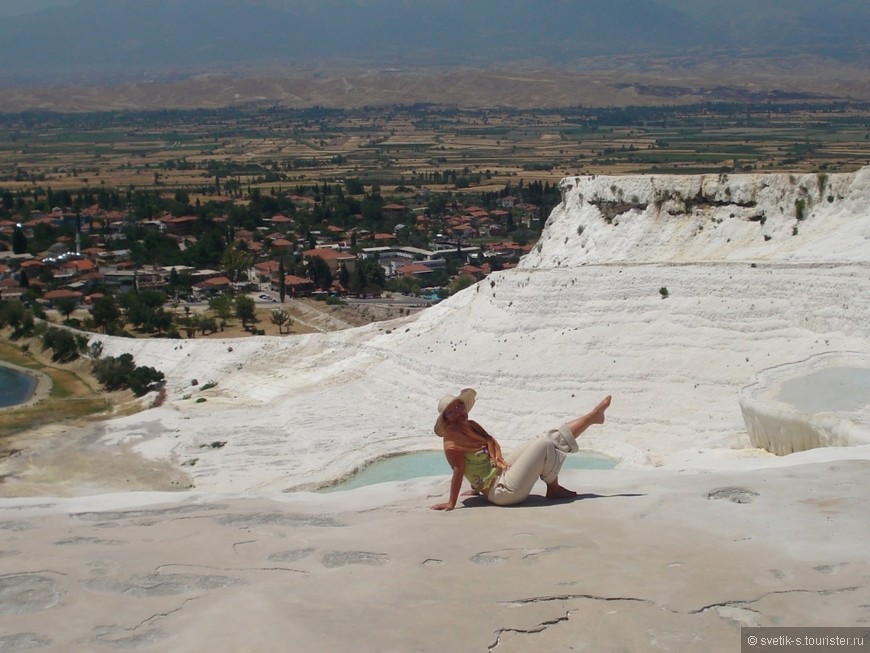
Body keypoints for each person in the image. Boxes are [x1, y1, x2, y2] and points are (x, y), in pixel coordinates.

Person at [430, 389, 612, 510]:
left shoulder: (471, 426)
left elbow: (477, 459)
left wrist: (476, 488)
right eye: (451, 411)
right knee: (545, 445)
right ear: (446, 419)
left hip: (499, 474)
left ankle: (592, 418)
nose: (458, 411)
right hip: (501, 493)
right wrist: (451, 502)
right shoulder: (452, 437)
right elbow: (458, 469)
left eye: (458, 406)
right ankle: (554, 487)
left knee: (542, 437)